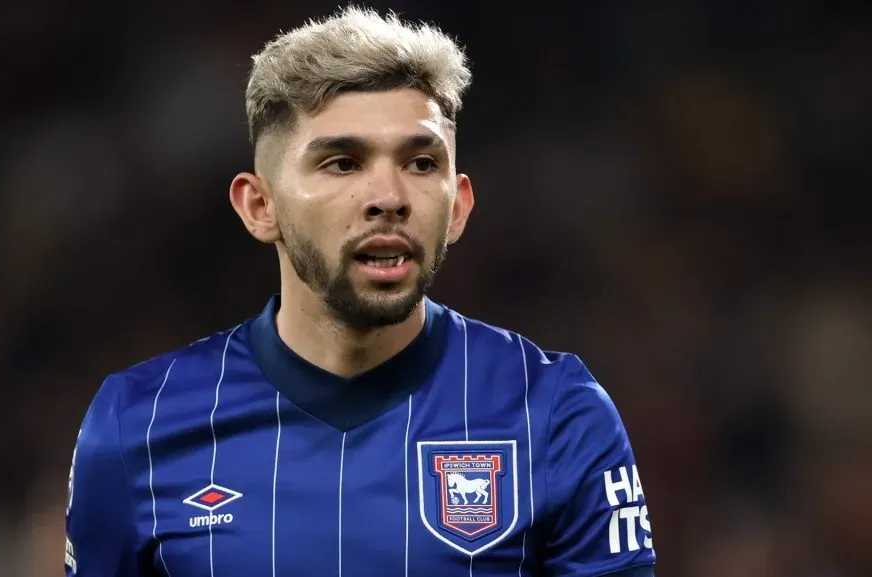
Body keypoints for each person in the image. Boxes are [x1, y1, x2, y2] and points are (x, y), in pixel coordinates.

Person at [65, 7, 656, 577]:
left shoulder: (556, 411)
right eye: (343, 163)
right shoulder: (136, 422)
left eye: (422, 163)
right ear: (260, 205)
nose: (390, 196)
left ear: (459, 206)